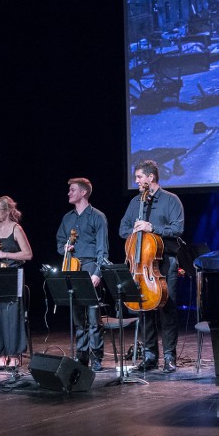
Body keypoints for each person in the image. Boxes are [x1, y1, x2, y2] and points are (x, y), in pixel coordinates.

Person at [119, 159, 184, 373]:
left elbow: (177, 229)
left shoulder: (171, 200)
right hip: (142, 265)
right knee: (144, 310)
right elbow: (123, 229)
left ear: (150, 177)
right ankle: (149, 356)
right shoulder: (136, 202)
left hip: (165, 262)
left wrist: (151, 227)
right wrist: (136, 233)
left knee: (167, 309)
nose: (136, 181)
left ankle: (169, 357)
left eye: (139, 177)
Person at [56, 178, 109, 372]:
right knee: (78, 317)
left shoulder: (97, 216)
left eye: (72, 190)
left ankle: (96, 357)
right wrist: (65, 247)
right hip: (72, 267)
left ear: (83, 193)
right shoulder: (67, 218)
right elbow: (60, 242)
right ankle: (81, 356)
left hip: (89, 267)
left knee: (94, 318)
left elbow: (103, 250)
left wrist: (97, 273)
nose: (69, 193)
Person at [0, 195, 33, 369]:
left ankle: (14, 354)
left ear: (7, 211)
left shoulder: (16, 229)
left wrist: (6, 255)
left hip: (14, 277)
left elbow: (28, 255)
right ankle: (1, 354)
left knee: (13, 315)